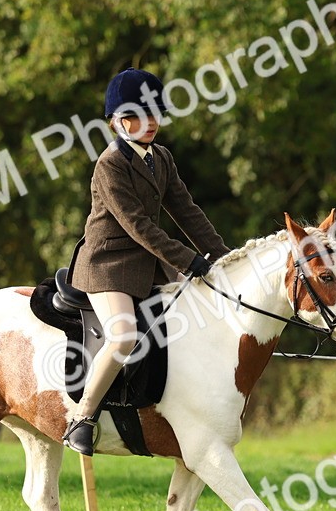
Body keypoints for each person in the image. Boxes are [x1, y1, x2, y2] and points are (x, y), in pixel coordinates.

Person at [62, 68, 231, 455]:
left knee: (194, 321)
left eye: (155, 114)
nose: (151, 122)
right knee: (123, 336)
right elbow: (139, 226)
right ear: (117, 121)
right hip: (106, 267)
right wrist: (189, 260)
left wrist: (223, 257)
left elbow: (187, 212)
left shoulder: (162, 158)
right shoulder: (109, 165)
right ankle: (82, 418)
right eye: (139, 115)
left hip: (148, 264)